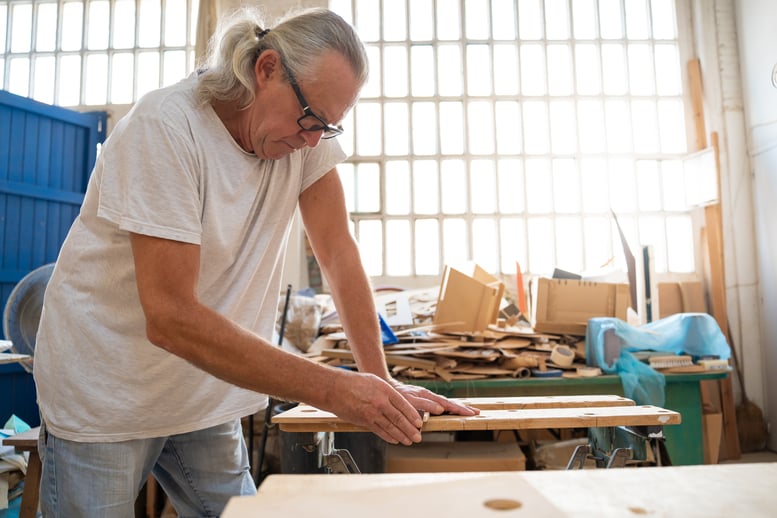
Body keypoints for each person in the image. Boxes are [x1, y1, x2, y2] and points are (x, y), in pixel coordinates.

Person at [33, 6, 477, 516]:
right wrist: (336, 389)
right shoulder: (166, 128)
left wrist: (379, 382)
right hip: (106, 388)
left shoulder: (304, 140)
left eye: (328, 128)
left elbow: (336, 253)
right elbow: (171, 319)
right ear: (265, 69)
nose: (313, 139)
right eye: (310, 119)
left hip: (203, 389)